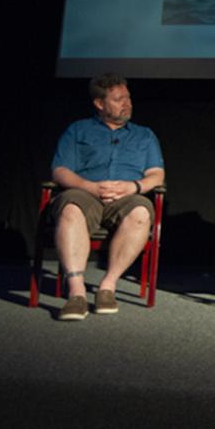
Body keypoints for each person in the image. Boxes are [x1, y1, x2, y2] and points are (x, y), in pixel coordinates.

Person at [50, 74, 165, 321]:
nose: (127, 103)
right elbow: (60, 170)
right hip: (85, 193)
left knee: (141, 212)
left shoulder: (144, 135)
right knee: (70, 208)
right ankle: (77, 292)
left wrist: (133, 186)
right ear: (100, 104)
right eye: (118, 99)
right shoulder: (78, 129)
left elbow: (156, 175)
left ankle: (107, 286)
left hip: (127, 197)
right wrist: (89, 187)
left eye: (128, 98)